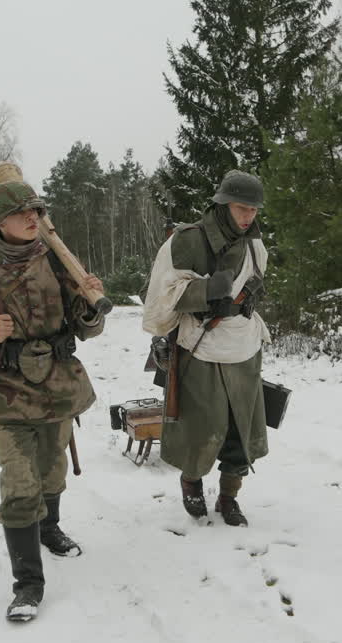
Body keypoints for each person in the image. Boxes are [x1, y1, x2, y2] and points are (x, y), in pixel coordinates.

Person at [0, 180, 105, 622]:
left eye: (37, 210)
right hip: (7, 401)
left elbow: (86, 328)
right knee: (20, 485)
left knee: (52, 472)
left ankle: (49, 527)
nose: (33, 218)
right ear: (0, 222)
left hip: (56, 390)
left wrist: (88, 304)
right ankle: (28, 584)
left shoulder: (59, 264)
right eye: (22, 212)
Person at [142, 170, 270, 527]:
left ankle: (229, 496)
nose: (248, 217)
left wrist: (244, 296)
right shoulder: (185, 242)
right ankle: (191, 481)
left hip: (242, 344)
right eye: (242, 208)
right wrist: (205, 290)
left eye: (253, 210)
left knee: (238, 428)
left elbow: (257, 282)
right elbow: (159, 298)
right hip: (200, 343)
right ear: (223, 205)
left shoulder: (255, 244)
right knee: (201, 425)